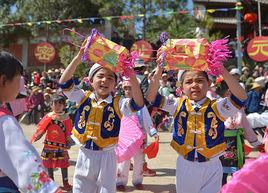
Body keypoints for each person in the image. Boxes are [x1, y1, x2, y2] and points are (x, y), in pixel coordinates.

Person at [146, 62, 247, 193]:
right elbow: (150, 97)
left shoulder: (218, 106)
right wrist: (159, 68)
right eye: (189, 82)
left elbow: (241, 97)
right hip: (186, 165)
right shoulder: (176, 104)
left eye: (200, 80)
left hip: (212, 165)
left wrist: (221, 69)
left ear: (209, 84)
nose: (194, 85)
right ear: (181, 87)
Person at [58, 40, 144, 193]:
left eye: (110, 78)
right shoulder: (82, 97)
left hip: (107, 155)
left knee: (106, 190)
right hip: (85, 153)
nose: (105, 80)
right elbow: (63, 83)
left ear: (115, 85)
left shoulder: (119, 103)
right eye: (100, 76)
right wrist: (78, 57)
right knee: (80, 188)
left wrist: (130, 74)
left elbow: (138, 103)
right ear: (91, 81)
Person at [0, 51, 61, 193]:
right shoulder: (4, 121)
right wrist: (50, 190)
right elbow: (24, 163)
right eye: (19, 79)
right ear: (3, 80)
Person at [116, 80, 158, 191]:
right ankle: (120, 181)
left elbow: (147, 120)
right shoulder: (120, 103)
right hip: (125, 137)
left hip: (140, 137)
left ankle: (137, 181)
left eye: (130, 88)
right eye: (125, 89)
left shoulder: (141, 106)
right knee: (124, 159)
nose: (128, 91)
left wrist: (153, 132)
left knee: (139, 160)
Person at [31, 94, 73, 191]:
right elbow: (42, 128)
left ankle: (65, 183)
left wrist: (69, 141)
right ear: (51, 105)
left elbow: (68, 131)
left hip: (61, 146)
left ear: (64, 106)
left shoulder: (66, 118)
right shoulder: (48, 117)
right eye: (55, 104)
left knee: (63, 165)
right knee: (49, 165)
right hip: (49, 145)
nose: (57, 106)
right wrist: (38, 136)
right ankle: (51, 182)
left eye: (60, 104)